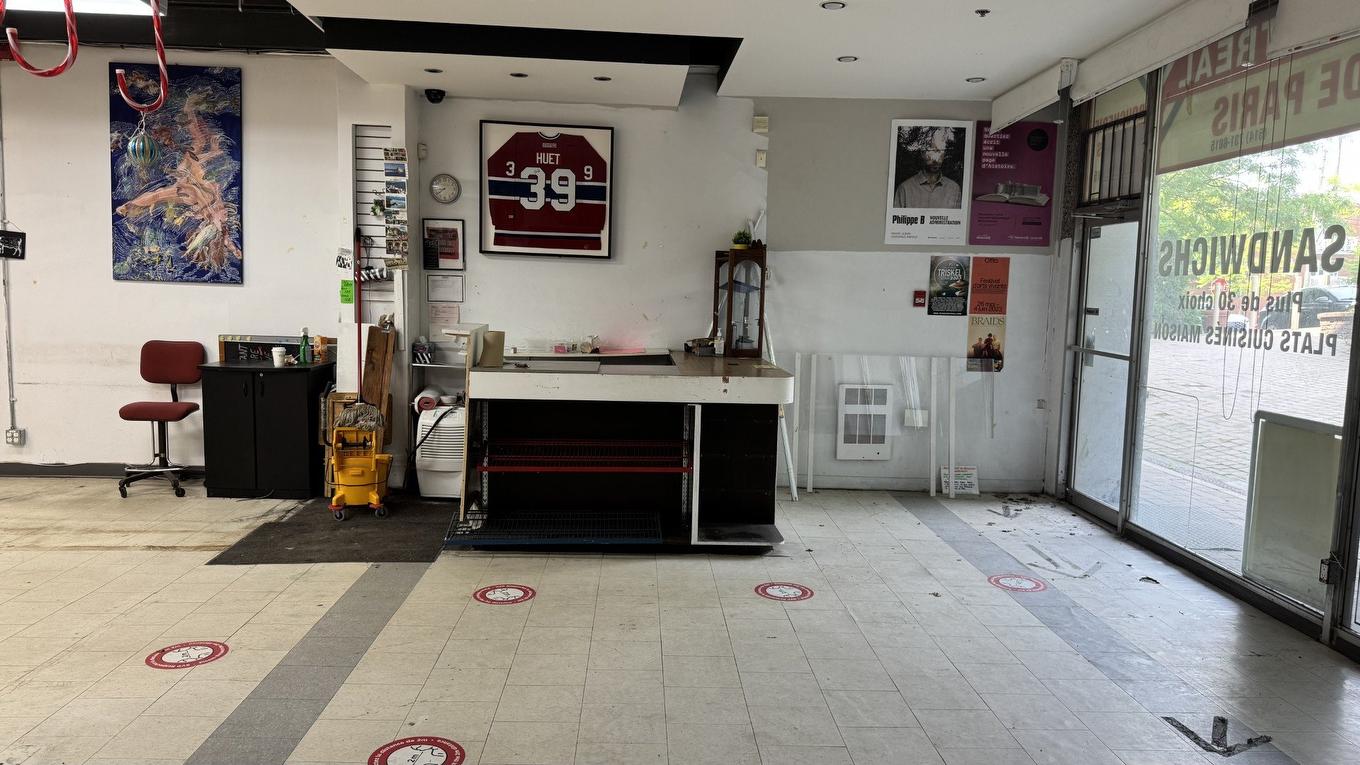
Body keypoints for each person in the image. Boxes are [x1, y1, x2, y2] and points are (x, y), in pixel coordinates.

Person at [894, 148, 962, 209]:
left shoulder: (954, 188)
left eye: (939, 151)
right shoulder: (905, 188)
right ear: (922, 153)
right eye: (931, 151)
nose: (935, 158)